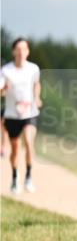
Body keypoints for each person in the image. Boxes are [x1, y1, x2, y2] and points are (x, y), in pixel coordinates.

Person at [2, 38, 42, 193]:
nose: (21, 52)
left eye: (24, 49)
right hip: (12, 115)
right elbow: (1, 91)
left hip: (29, 113)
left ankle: (29, 177)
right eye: (18, 49)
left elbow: (36, 84)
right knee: (16, 150)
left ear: (28, 52)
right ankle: (14, 178)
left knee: (29, 142)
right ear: (13, 51)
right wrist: (4, 89)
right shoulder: (6, 70)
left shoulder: (33, 69)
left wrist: (37, 97)